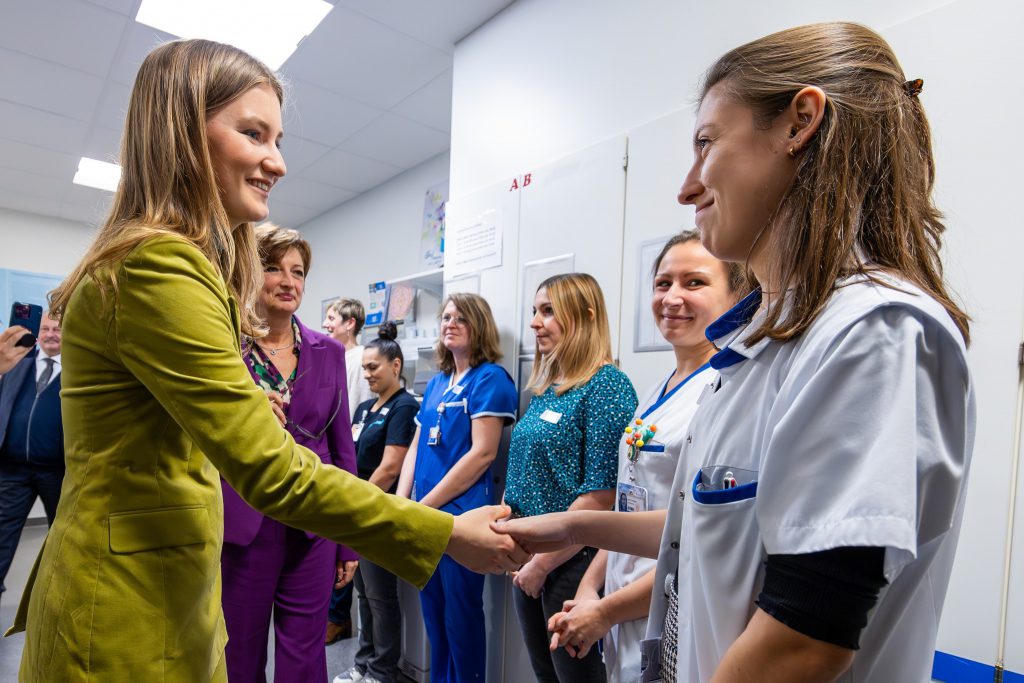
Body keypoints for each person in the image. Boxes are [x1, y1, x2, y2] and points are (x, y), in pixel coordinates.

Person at [5, 39, 527, 682]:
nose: (276, 162)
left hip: (163, 583)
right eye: (254, 134)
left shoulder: (166, 267)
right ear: (182, 133)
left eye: (277, 139)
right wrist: (442, 533)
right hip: (125, 602)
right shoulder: (158, 265)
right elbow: (273, 469)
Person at [496, 22, 974, 683]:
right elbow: (700, 527)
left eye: (706, 144)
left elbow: (804, 640)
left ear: (799, 123)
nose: (687, 187)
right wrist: (570, 529)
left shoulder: (872, 330)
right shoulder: (758, 347)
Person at [544, 233, 742, 682]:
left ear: (735, 295)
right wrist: (590, 588)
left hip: (670, 617)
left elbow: (693, 541)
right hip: (620, 607)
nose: (671, 298)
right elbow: (627, 508)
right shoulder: (656, 392)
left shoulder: (724, 394)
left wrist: (606, 611)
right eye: (662, 283)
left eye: (694, 282)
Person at [220, 224, 357, 682]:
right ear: (248, 272)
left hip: (312, 525)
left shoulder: (328, 351)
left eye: (297, 272)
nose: (288, 281)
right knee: (239, 653)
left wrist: (348, 538)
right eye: (273, 268)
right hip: (244, 523)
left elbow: (341, 446)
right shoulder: (224, 346)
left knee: (305, 656)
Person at [503, 273, 637, 683]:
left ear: (585, 316)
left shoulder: (607, 386)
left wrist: (541, 565)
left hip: (571, 563)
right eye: (534, 311)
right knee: (546, 675)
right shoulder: (550, 388)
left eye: (548, 311)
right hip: (530, 560)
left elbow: (600, 496)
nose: (534, 322)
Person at [396, 293, 518, 683]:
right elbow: (416, 446)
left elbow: (483, 454)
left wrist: (423, 506)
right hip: (424, 514)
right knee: (433, 614)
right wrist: (400, 502)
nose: (450, 323)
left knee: (461, 616)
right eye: (446, 317)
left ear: (479, 326)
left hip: (461, 517)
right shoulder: (436, 384)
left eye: (461, 318)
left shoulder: (491, 379)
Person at [334, 321, 419, 683]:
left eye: (373, 367)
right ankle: (364, 663)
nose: (367, 374)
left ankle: (383, 671)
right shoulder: (365, 409)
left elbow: (390, 467)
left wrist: (358, 503)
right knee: (364, 595)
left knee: (381, 597)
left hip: (378, 512)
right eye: (364, 367)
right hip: (358, 512)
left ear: (395, 366)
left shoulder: (404, 406)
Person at [0, 313, 64, 608]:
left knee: (62, 539)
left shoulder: (76, 372)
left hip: (57, 472)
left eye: (57, 329)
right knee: (1, 536)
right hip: (12, 470)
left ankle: (57, 601)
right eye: (45, 328)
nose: (50, 334)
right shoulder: (15, 365)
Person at [322, 297, 373, 644]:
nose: (326, 324)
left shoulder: (359, 359)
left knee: (344, 540)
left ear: (350, 323)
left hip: (350, 449)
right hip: (334, 450)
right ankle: (334, 616)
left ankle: (337, 618)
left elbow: (358, 410)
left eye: (332, 318)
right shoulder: (330, 355)